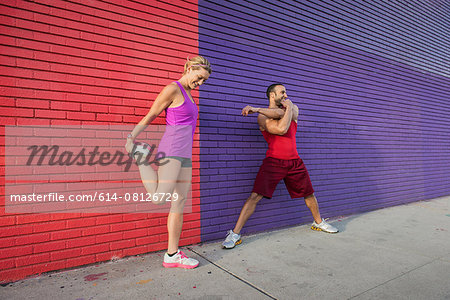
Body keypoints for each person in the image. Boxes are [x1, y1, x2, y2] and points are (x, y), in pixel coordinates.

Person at [222, 83, 338, 249]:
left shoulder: (292, 108)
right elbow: (282, 128)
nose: (285, 95)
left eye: (286, 92)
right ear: (272, 95)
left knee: (309, 194)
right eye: (282, 92)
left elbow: (283, 113)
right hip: (273, 161)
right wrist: (265, 111)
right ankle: (235, 234)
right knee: (255, 196)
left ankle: (318, 222)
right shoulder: (262, 117)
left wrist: (259, 108)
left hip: (295, 161)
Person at [125, 56, 211, 268]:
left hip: (185, 154)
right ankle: (140, 157)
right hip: (171, 149)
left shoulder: (189, 94)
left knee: (179, 201)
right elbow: (151, 114)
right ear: (190, 68)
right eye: (199, 78)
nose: (199, 83)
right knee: (159, 198)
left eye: (204, 81)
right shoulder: (173, 89)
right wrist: (130, 138)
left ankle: (172, 254)